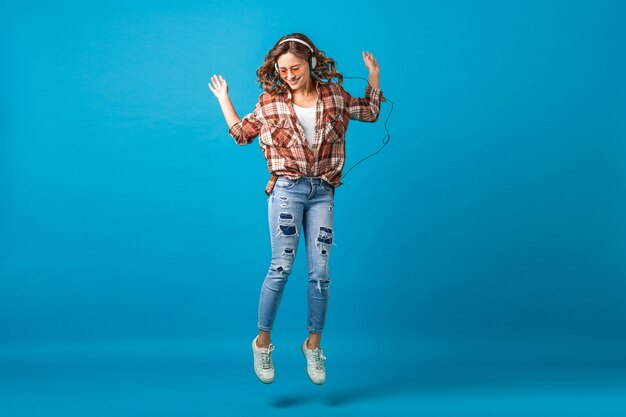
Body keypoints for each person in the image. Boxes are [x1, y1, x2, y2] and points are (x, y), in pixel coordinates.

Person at [208, 33, 384, 385]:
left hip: (323, 190)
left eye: (295, 68)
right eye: (282, 70)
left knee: (320, 273)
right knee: (281, 268)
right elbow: (242, 135)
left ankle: (313, 346)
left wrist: (374, 76)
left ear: (311, 64)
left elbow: (371, 111)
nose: (288, 75)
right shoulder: (270, 103)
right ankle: (262, 343)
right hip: (287, 191)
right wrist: (224, 99)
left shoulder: (334, 96)